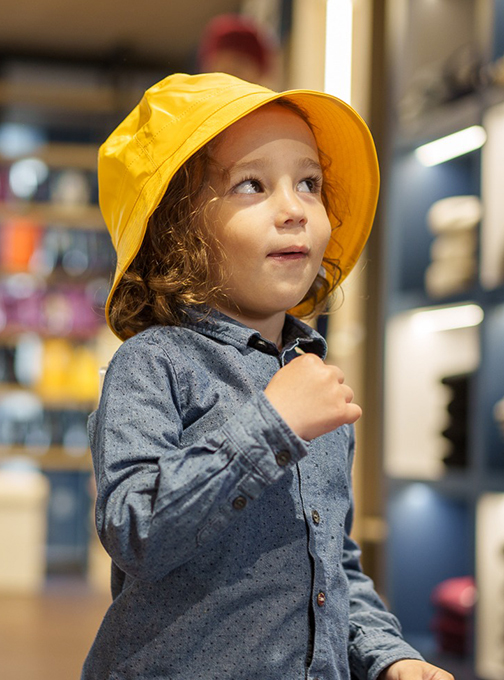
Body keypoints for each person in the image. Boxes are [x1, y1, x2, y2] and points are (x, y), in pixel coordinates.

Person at [82, 72, 453, 680]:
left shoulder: (313, 377)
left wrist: (389, 656)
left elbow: (330, 563)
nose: (294, 210)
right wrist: (271, 425)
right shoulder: (154, 363)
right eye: (251, 184)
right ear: (178, 232)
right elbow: (134, 530)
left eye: (310, 183)